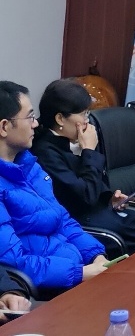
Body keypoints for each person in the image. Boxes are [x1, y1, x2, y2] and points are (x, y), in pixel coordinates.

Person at [32, 79, 135, 253]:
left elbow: (93, 184)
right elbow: (84, 196)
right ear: (60, 119)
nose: (87, 121)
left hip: (102, 215)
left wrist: (109, 197)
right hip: (84, 225)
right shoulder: (45, 152)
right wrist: (89, 151)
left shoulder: (72, 141)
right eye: (83, 115)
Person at [0, 81, 108, 290]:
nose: (35, 124)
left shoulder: (30, 166)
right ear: (4, 127)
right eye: (30, 117)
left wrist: (95, 255)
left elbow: (63, 220)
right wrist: (80, 273)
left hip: (75, 272)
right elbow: (14, 263)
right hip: (47, 290)